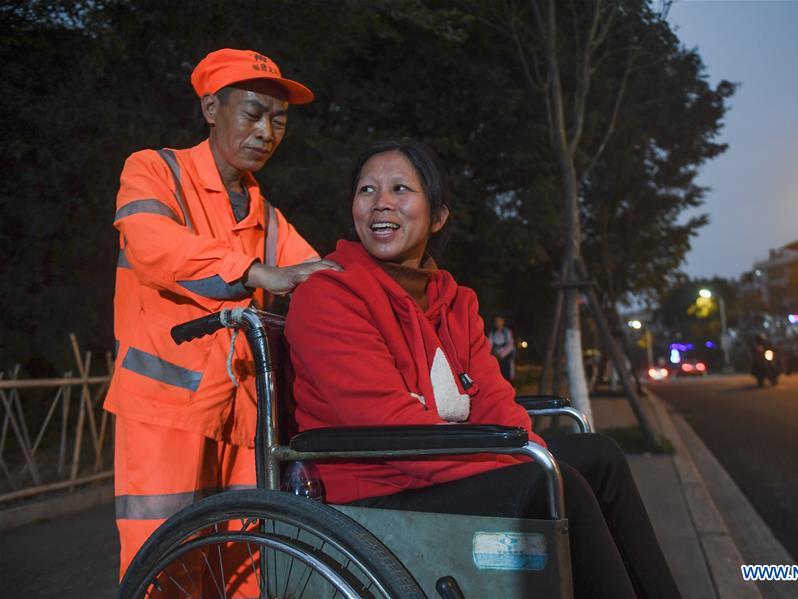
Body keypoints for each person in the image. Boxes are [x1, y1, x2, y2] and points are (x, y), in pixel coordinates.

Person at [285, 139, 680, 598]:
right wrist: (515, 464)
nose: (381, 203)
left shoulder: (455, 301)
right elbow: (385, 425)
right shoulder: (329, 295)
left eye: (400, 189)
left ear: (437, 217)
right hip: (375, 490)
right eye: (366, 190)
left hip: (441, 466)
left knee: (599, 456)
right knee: (555, 483)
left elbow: (493, 397)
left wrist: (524, 451)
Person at [104, 48, 341, 578]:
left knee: (245, 567)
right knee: (163, 564)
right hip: (165, 410)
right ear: (212, 109)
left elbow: (316, 277)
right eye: (253, 114)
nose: (267, 132)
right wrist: (256, 273)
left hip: (244, 416)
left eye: (278, 121)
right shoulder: (154, 170)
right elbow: (154, 248)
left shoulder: (266, 215)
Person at [489, 315, 516, 381]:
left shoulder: (507, 332)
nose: (497, 322)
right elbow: (490, 345)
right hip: (495, 358)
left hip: (505, 358)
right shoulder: (492, 333)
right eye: (496, 321)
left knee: (507, 377)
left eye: (499, 321)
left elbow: (510, 345)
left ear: (502, 322)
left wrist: (501, 354)